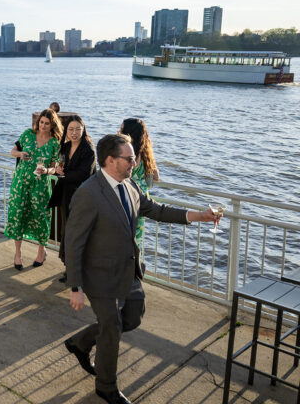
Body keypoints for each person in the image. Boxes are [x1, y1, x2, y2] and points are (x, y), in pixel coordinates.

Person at [64, 134, 215, 404]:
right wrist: (75, 286)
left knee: (132, 318)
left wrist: (197, 216)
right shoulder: (88, 193)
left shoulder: (130, 185)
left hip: (128, 271)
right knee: (111, 326)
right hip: (98, 276)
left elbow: (156, 209)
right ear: (110, 160)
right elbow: (74, 243)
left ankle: (82, 342)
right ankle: (106, 386)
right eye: (130, 158)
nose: (135, 162)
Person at [5, 108, 62, 269]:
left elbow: (54, 167)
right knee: (18, 214)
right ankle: (18, 254)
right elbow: (12, 151)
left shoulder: (54, 143)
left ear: (52, 125)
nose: (43, 125)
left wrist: (46, 171)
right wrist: (20, 154)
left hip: (41, 185)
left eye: (47, 123)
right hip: (20, 183)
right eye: (41, 122)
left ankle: (41, 251)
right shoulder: (28, 134)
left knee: (41, 217)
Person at [50, 115, 96, 282]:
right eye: (71, 129)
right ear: (66, 131)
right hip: (66, 195)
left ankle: (78, 271)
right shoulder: (65, 146)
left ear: (83, 130)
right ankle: (70, 268)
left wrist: (64, 174)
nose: (74, 132)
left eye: (78, 129)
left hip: (82, 197)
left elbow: (84, 174)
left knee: (78, 233)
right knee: (67, 231)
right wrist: (56, 170)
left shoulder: (88, 149)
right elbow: (59, 166)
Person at [119, 118, 160, 246]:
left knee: (121, 233)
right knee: (136, 236)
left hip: (126, 196)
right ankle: (134, 261)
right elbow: (156, 177)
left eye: (121, 128)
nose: (118, 131)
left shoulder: (124, 152)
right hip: (142, 199)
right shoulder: (145, 154)